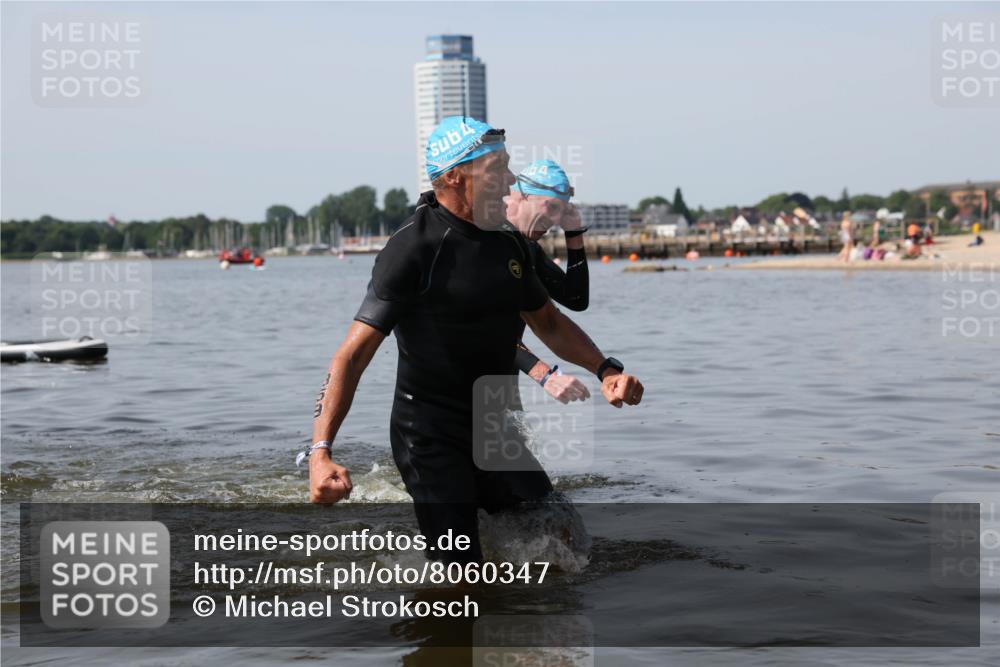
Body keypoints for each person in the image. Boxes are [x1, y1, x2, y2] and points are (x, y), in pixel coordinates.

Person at [304, 117, 644, 563]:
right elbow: (351, 356)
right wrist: (321, 452)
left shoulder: (508, 243)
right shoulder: (414, 248)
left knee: (566, 536)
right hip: (429, 435)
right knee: (462, 573)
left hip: (492, 427)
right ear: (454, 177)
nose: (510, 178)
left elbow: (550, 322)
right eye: (497, 168)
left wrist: (605, 369)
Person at [504, 159, 590, 404]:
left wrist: (574, 235)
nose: (555, 220)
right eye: (551, 207)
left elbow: (576, 299)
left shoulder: (527, 248)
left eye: (561, 212)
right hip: (452, 392)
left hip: (501, 389)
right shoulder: (484, 240)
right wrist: (545, 376)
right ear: (523, 195)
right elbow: (486, 329)